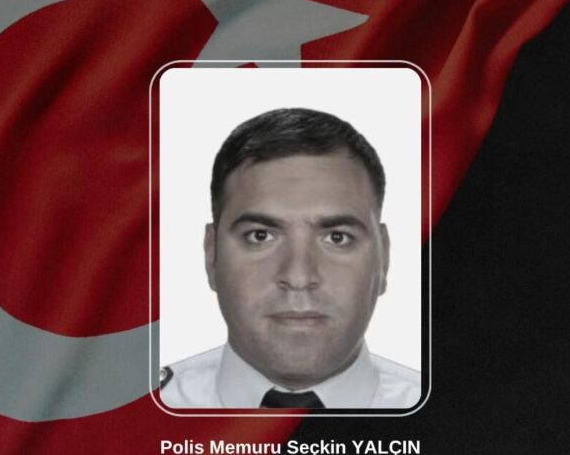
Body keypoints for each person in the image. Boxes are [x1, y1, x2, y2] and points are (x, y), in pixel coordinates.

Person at [160, 108, 420, 409]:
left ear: (383, 258)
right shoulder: (130, 417)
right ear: (212, 254)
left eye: (337, 237)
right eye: (260, 236)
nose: (298, 277)